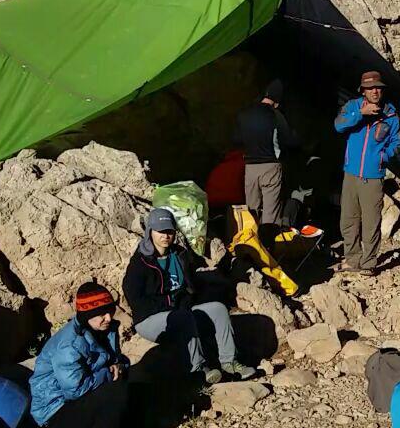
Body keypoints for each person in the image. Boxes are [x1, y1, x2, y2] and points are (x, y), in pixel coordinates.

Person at [29, 282, 161, 428]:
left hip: (81, 394)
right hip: (55, 408)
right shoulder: (69, 345)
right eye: (101, 314)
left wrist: (118, 368)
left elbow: (115, 361)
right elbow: (74, 390)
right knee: (116, 391)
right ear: (86, 315)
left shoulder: (104, 329)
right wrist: (108, 373)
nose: (108, 317)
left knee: (135, 377)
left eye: (110, 311)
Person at [122, 208, 255, 384]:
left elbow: (191, 285)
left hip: (181, 310)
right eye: (160, 231)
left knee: (218, 309)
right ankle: (199, 369)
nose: (165, 236)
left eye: (169, 231)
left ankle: (229, 362)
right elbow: (135, 300)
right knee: (184, 318)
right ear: (150, 232)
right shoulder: (140, 262)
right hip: (149, 318)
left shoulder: (179, 254)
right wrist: (169, 301)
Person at [334, 70, 400, 275]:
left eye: (378, 88)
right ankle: (352, 259)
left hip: (373, 177)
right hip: (351, 174)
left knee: (371, 222)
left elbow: (397, 142)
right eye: (370, 88)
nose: (374, 91)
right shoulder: (353, 107)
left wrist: (383, 156)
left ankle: (368, 264)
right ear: (363, 91)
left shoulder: (391, 115)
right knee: (348, 220)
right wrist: (360, 114)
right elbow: (338, 126)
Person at [236, 79, 297, 226]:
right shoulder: (276, 115)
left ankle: (250, 238)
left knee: (251, 211)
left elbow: (236, 139)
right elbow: (289, 140)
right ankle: (268, 238)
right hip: (270, 166)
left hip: (250, 167)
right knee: (271, 212)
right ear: (277, 101)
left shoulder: (244, 114)